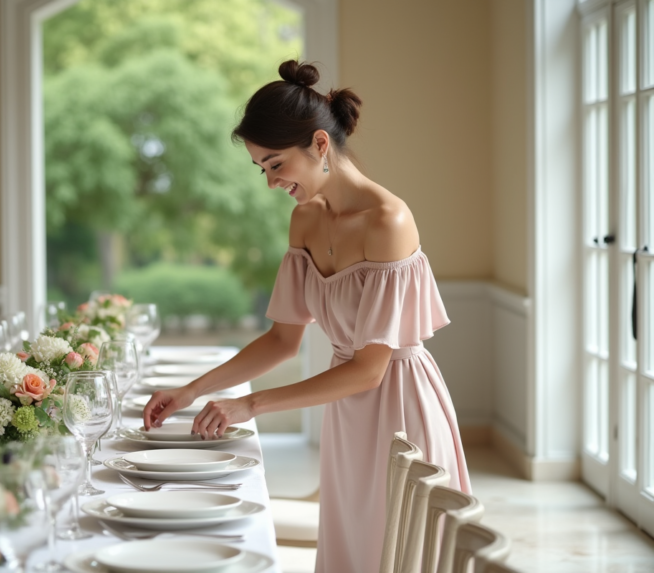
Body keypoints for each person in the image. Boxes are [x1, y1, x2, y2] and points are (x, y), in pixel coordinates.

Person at [142, 60, 471, 573]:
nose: (271, 182)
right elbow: (281, 341)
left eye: (275, 164)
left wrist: (249, 405)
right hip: (348, 414)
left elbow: (370, 368)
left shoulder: (389, 221)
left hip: (401, 409)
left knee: (397, 551)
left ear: (319, 145)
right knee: (350, 550)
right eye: (262, 169)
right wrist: (192, 392)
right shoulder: (306, 220)